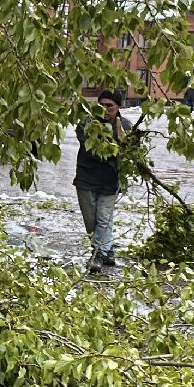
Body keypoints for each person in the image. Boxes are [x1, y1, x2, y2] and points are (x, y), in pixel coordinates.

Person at [75, 90, 129, 272]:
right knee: (91, 221)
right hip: (86, 178)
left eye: (110, 105)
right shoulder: (87, 123)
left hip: (111, 180)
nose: (105, 109)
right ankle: (108, 249)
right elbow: (90, 149)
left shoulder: (126, 127)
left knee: (104, 218)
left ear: (118, 107)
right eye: (102, 105)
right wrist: (114, 152)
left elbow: (130, 151)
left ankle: (97, 255)